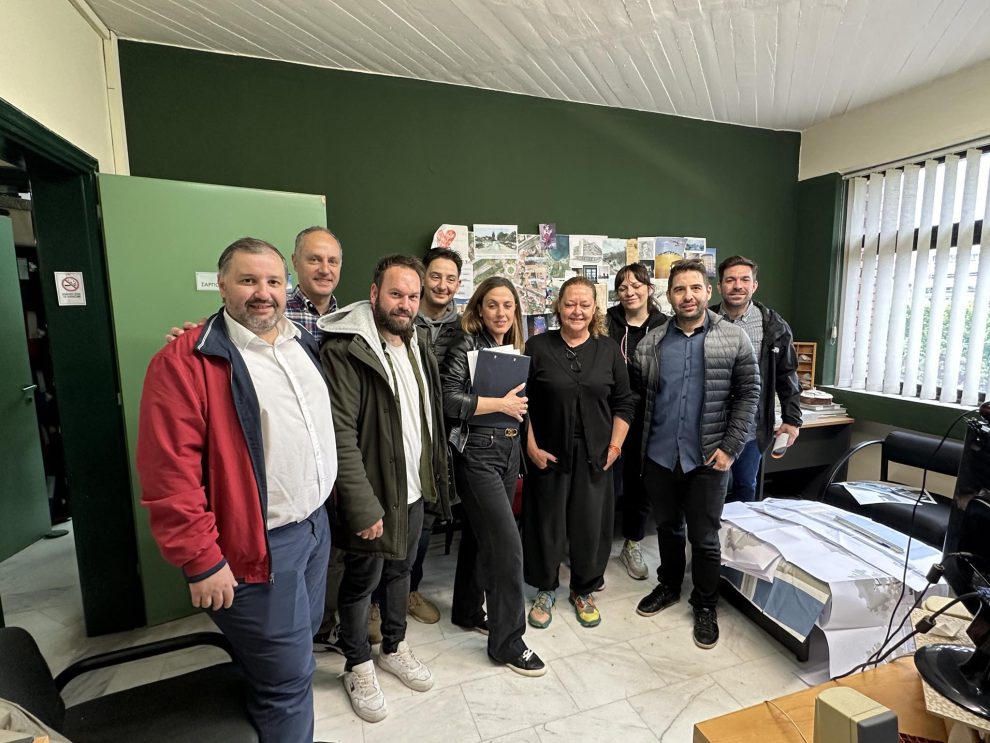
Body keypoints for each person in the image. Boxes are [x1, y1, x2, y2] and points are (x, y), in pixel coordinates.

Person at [137, 238, 335, 743]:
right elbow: (169, 475)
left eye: (273, 281)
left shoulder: (301, 343)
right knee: (288, 680)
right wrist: (200, 558)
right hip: (257, 546)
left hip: (314, 529)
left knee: (293, 645)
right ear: (222, 285)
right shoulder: (185, 361)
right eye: (248, 280)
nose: (263, 292)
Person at [318, 254, 451, 723]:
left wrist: (433, 480)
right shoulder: (346, 349)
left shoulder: (416, 342)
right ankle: (357, 664)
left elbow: (425, 418)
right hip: (373, 495)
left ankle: (394, 646)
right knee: (361, 584)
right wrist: (361, 504)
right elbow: (340, 435)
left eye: (413, 296)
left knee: (401, 572)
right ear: (374, 293)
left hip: (412, 489)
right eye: (396, 294)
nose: (405, 304)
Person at [631, 259, 760, 650]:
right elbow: (637, 399)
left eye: (695, 288)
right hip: (660, 456)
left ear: (708, 292)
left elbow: (749, 394)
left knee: (704, 538)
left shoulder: (734, 338)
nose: (687, 296)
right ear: (669, 296)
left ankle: (704, 604)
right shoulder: (651, 342)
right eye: (679, 289)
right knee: (668, 528)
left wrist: (730, 448)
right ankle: (669, 585)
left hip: (709, 458)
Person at [441, 277, 545, 675]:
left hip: (508, 450)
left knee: (478, 535)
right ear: (479, 310)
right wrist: (498, 404)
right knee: (507, 547)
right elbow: (449, 400)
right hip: (478, 454)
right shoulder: (465, 344)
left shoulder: (513, 347)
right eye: (492, 305)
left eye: (508, 306)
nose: (501, 313)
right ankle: (507, 643)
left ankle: (467, 610)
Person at [523, 276, 635, 629]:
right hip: (548, 454)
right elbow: (521, 403)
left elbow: (624, 402)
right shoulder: (537, 346)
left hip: (596, 456)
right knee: (546, 524)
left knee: (590, 525)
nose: (577, 311)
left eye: (585, 304)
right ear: (558, 306)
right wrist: (531, 447)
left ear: (594, 309)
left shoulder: (608, 349)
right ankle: (545, 588)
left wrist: (615, 446)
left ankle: (583, 590)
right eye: (570, 303)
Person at [711, 255, 802, 502]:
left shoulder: (773, 325)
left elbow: (787, 374)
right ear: (719, 286)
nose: (737, 286)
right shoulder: (706, 320)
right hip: (711, 427)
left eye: (744, 280)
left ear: (754, 285)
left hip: (752, 428)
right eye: (730, 280)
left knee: (745, 487)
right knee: (709, 491)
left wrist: (792, 419)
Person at [605, 263, 668, 581]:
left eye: (636, 285)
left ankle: (632, 542)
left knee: (638, 483)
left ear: (649, 289)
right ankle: (595, 545)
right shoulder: (606, 323)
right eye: (623, 287)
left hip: (648, 417)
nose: (629, 292)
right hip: (610, 414)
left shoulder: (664, 326)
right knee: (604, 482)